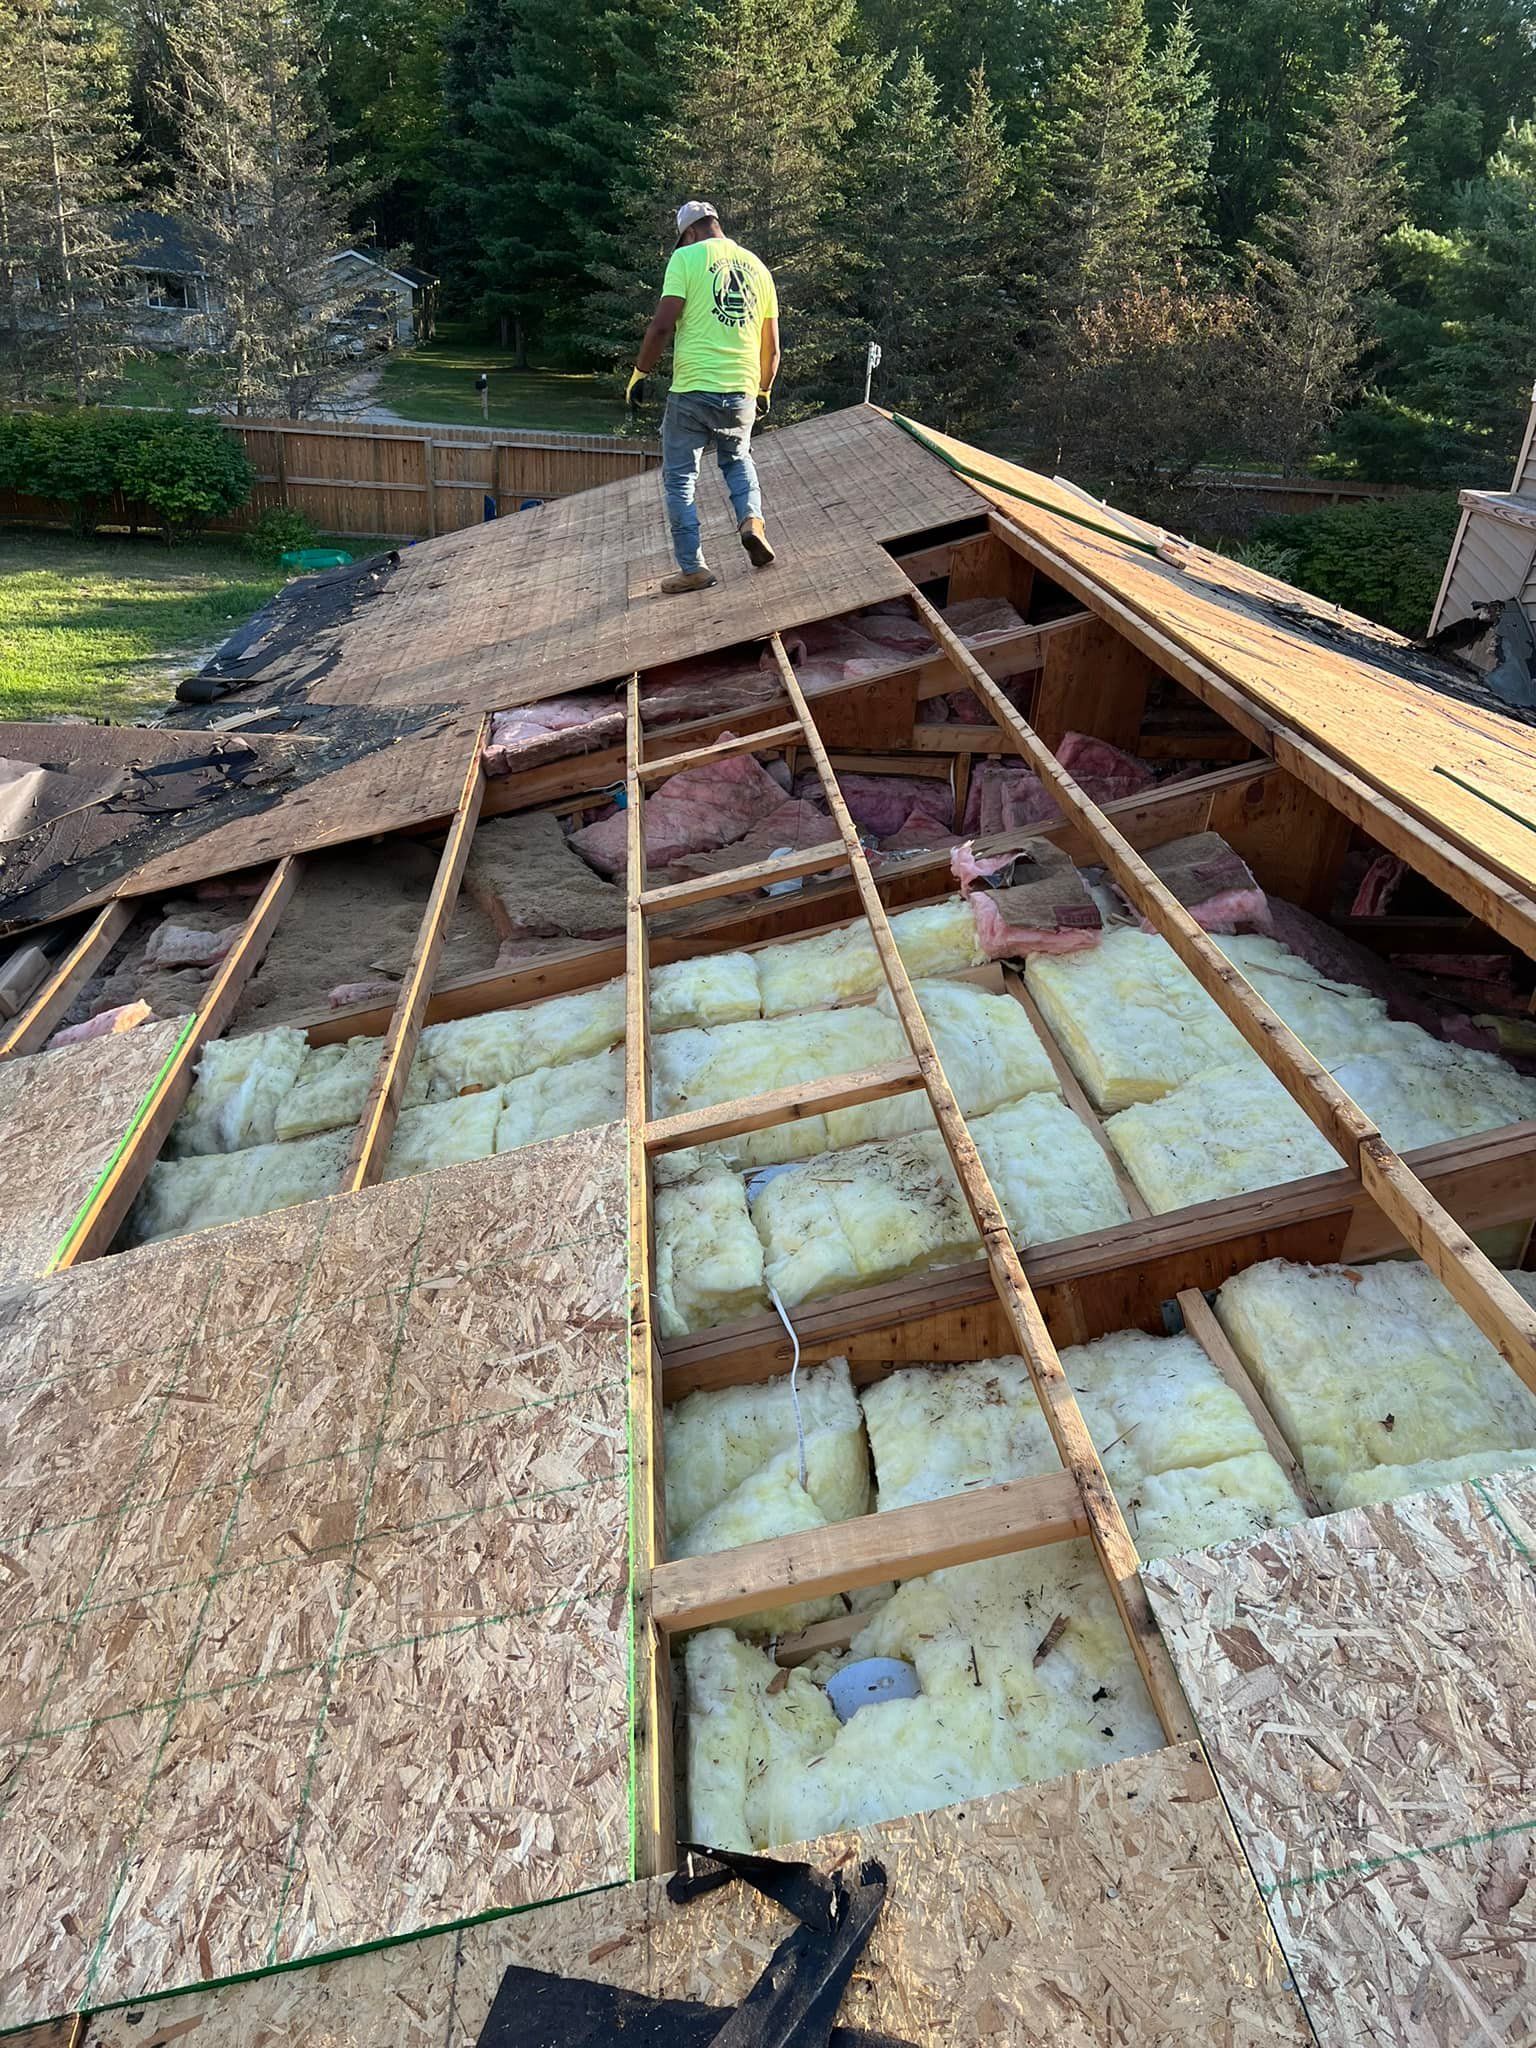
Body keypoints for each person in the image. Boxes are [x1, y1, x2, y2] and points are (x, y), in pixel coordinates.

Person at [627, 201, 780, 595]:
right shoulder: (758, 268)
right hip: (741, 390)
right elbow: (773, 349)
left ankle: (694, 568)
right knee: (738, 459)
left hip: (693, 391)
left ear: (690, 232)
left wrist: (640, 373)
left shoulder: (686, 259)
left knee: (680, 479)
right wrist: (763, 389)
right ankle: (752, 522)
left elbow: (662, 326)